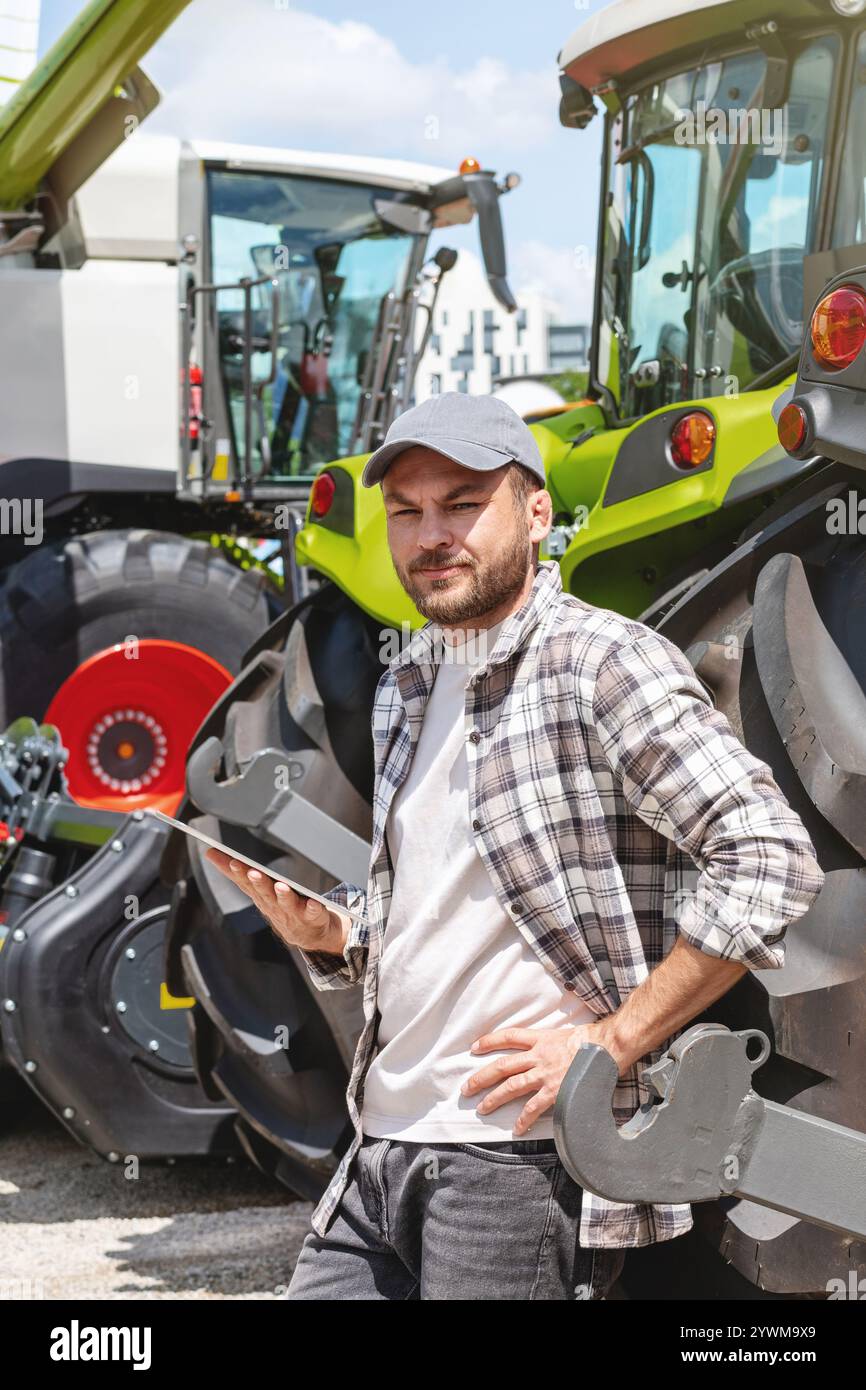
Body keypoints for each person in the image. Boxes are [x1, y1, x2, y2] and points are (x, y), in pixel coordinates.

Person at [206, 392, 825, 1301]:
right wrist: (339, 935)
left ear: (536, 511)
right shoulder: (409, 681)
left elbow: (770, 855)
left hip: (512, 1168)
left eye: (462, 504)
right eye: (407, 512)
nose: (430, 537)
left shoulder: (602, 663)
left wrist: (614, 1041)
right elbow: (471, 901)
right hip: (380, 1146)